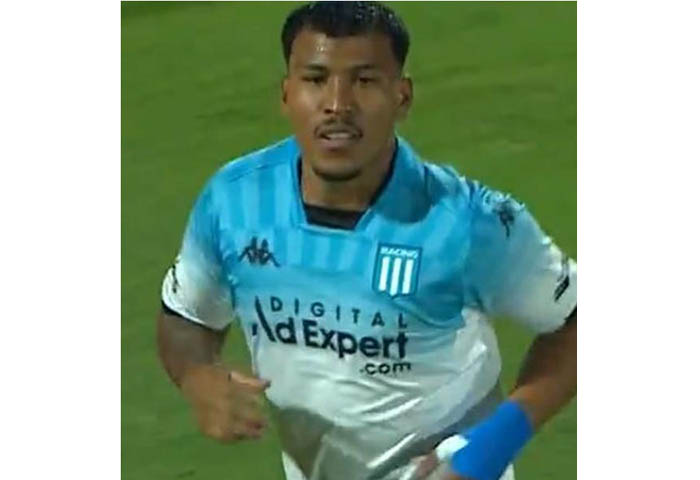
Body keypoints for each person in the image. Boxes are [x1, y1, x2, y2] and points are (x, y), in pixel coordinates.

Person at [156, 2, 577, 480]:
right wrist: (196, 376)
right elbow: (185, 316)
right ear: (287, 94)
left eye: (364, 80)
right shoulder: (235, 202)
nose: (338, 103)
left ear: (402, 96)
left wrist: (490, 447)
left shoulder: (464, 223)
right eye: (316, 79)